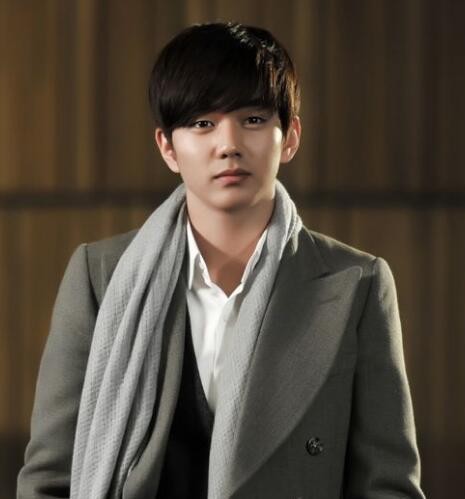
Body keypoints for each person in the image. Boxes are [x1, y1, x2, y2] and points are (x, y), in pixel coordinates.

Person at [17, 22, 425, 499]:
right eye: (202, 123)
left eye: (252, 119)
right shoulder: (99, 276)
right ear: (167, 147)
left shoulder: (356, 283)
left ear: (290, 136)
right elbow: (50, 479)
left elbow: (387, 486)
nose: (228, 144)